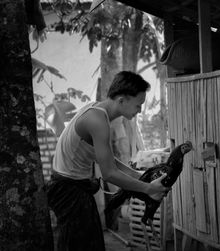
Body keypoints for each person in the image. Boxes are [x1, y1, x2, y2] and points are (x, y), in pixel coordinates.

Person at [46, 71, 169, 251]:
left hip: (73, 186)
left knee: (86, 243)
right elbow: (109, 173)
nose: (140, 110)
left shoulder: (97, 112)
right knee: (81, 245)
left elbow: (107, 159)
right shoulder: (97, 120)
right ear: (121, 100)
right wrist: (148, 188)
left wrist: (139, 175)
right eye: (138, 105)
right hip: (68, 190)